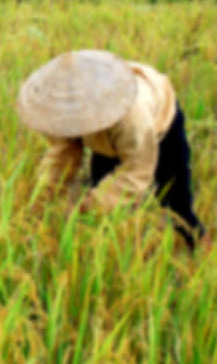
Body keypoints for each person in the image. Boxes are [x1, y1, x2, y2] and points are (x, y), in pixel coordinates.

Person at [16, 49, 206, 249]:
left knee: (175, 204)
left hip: (159, 126)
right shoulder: (64, 110)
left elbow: (138, 169)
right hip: (105, 141)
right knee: (102, 197)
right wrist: (40, 201)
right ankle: (112, 250)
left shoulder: (134, 117)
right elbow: (62, 156)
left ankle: (199, 245)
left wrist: (87, 205)